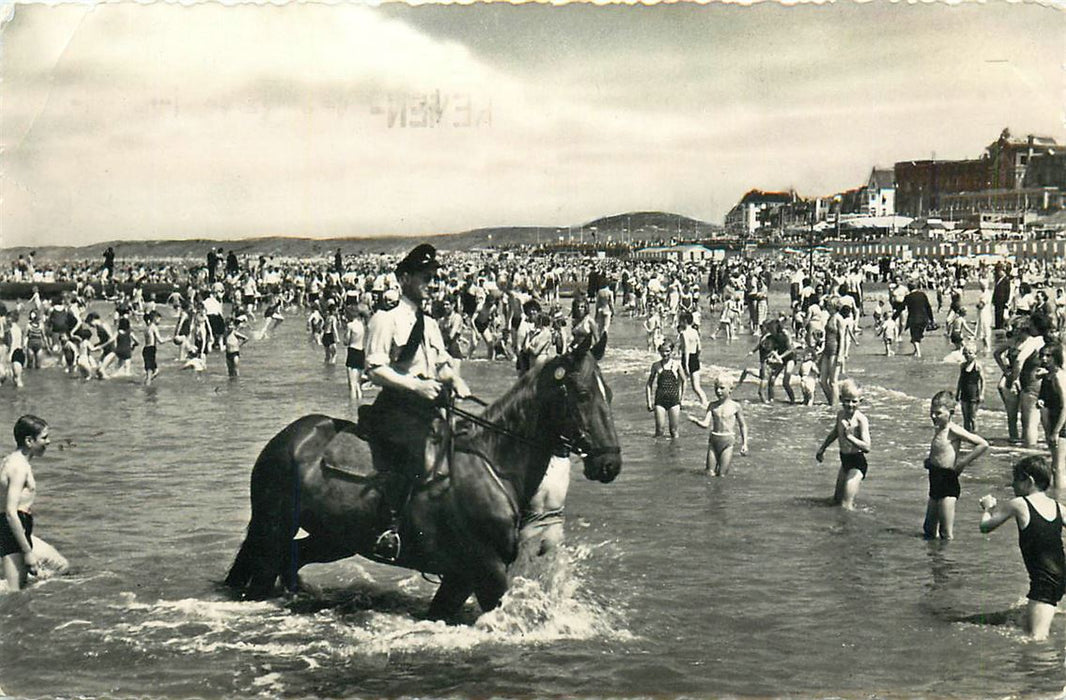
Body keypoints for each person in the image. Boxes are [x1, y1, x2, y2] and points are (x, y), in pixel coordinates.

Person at [361, 244, 470, 561]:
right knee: (418, 455)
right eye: (426, 277)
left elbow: (441, 365)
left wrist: (455, 379)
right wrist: (414, 386)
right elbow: (375, 368)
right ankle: (391, 528)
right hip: (395, 409)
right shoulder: (386, 319)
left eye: (435, 278)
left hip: (429, 406)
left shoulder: (431, 324)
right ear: (404, 278)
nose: (433, 284)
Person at [979, 455, 1065, 641]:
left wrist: (987, 508)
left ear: (1029, 481)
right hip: (1060, 575)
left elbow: (985, 527)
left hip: (1044, 581)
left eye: (1016, 480)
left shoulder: (1019, 504)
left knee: (1036, 639)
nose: (1013, 485)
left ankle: (1045, 668)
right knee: (1029, 624)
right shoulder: (1059, 507)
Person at [922, 390, 989, 540]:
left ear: (951, 412)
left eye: (938, 413)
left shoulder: (953, 429)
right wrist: (930, 462)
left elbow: (982, 444)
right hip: (934, 478)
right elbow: (942, 452)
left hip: (948, 482)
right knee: (928, 529)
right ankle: (933, 559)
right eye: (931, 412)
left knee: (946, 533)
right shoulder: (939, 429)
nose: (933, 416)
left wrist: (962, 463)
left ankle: (946, 560)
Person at [1, 415, 50, 591]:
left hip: (18, 527)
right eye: (44, 437)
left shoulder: (12, 461)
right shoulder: (18, 467)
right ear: (29, 441)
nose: (49, 442)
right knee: (14, 594)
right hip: (13, 529)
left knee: (60, 567)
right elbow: (10, 512)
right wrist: (28, 552)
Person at [815, 379, 871, 510]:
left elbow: (867, 447)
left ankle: (849, 529)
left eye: (854, 401)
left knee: (845, 505)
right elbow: (835, 432)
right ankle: (837, 525)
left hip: (857, 463)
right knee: (836, 501)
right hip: (845, 461)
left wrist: (850, 437)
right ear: (840, 398)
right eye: (846, 400)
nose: (850, 404)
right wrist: (822, 448)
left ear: (860, 401)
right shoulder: (840, 415)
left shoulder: (861, 420)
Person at [688, 376, 749, 476]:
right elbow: (705, 424)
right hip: (714, 440)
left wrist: (744, 444)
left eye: (722, 388)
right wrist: (695, 421)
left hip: (728, 442)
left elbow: (743, 426)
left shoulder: (735, 406)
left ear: (730, 389)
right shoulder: (712, 405)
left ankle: (721, 491)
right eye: (716, 388)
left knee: (722, 474)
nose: (718, 391)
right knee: (709, 473)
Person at [1038, 341, 1066, 497]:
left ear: (1056, 358)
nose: (1044, 358)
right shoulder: (1048, 375)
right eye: (1042, 355)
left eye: (1048, 356)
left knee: (1058, 467)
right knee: (1056, 464)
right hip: (1053, 422)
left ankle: (1059, 499)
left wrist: (1056, 431)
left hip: (1061, 424)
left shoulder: (1058, 377)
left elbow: (1065, 406)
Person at [646, 340, 685, 438]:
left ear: (672, 351)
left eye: (667, 351)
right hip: (660, 400)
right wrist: (649, 402)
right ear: (659, 351)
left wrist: (682, 399)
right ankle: (657, 452)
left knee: (674, 431)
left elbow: (684, 381)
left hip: (674, 400)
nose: (665, 354)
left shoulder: (677, 364)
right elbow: (648, 384)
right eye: (662, 351)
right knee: (659, 430)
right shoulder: (656, 365)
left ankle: (675, 451)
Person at [955, 343, 984, 433]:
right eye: (966, 353)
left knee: (973, 417)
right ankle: (966, 434)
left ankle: (975, 434)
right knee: (965, 417)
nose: (968, 355)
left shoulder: (977, 366)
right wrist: (957, 392)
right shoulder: (962, 366)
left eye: (970, 353)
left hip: (974, 394)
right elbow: (960, 380)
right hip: (964, 393)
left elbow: (983, 381)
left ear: (975, 354)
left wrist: (982, 394)